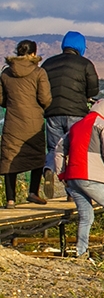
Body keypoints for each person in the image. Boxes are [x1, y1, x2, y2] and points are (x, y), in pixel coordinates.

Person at [54, 98, 104, 260]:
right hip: (90, 177)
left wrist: (62, 175)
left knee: (86, 215)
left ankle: (81, 253)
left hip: (73, 179)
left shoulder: (75, 126)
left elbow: (58, 150)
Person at [42, 30, 99, 198]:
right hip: (77, 113)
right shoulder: (85, 64)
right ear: (81, 47)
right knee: (74, 150)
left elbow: (42, 87)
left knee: (54, 148)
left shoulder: (48, 63)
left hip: (52, 112)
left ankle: (49, 169)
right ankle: (72, 192)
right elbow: (94, 88)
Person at [0, 40, 53, 207]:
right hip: (34, 121)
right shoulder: (39, 72)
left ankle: (10, 199)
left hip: (12, 121)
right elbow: (45, 98)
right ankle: (33, 192)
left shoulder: (6, 74)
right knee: (36, 155)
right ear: (33, 54)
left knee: (9, 158)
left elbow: (1, 99)